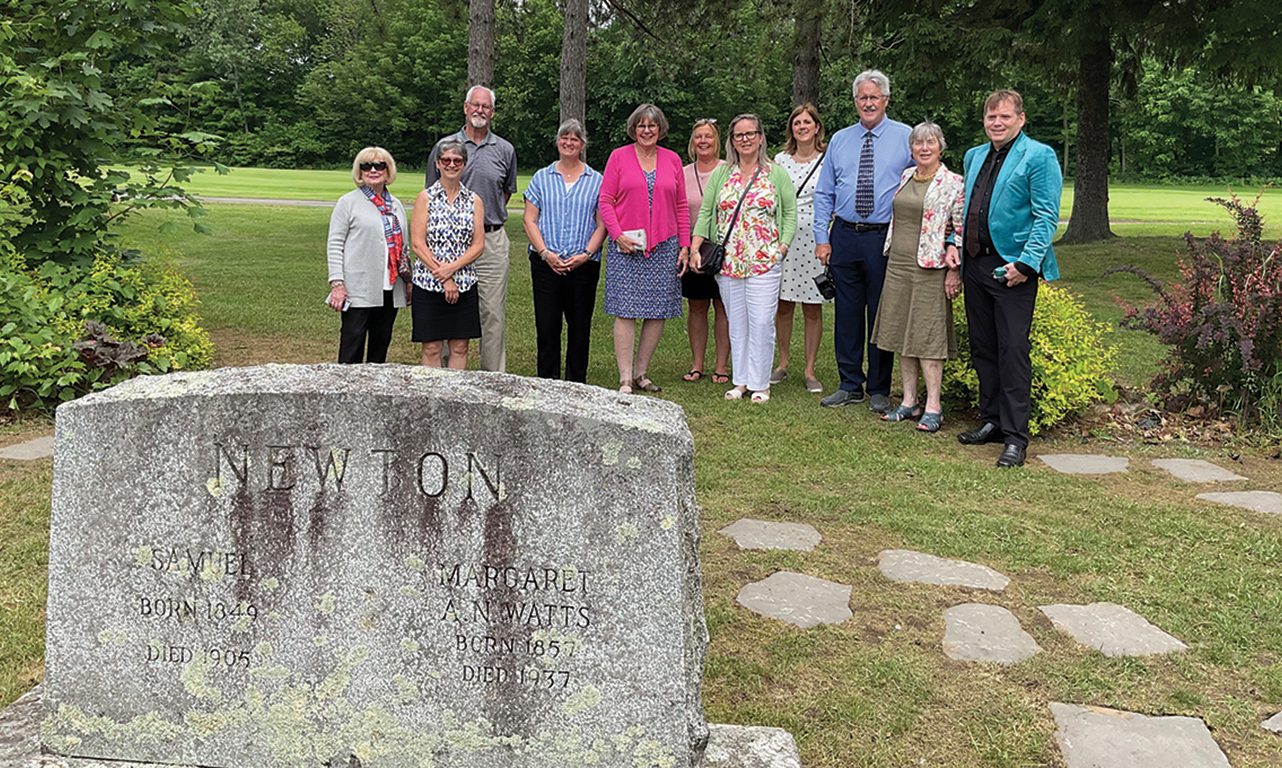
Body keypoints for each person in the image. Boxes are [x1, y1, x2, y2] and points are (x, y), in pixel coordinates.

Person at [957, 89, 1063, 468]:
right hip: (975, 265)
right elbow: (966, 209)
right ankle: (993, 421)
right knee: (984, 348)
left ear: (1021, 118)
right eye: (990, 117)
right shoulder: (974, 156)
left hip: (1013, 270)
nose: (997, 123)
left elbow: (1046, 216)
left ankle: (1016, 437)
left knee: (1013, 351)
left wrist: (1026, 264)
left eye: (1004, 117)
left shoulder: (1038, 156)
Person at [813, 70, 914, 413]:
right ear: (855, 102)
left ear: (886, 100)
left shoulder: (906, 137)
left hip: (885, 238)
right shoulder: (840, 140)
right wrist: (821, 238)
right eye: (862, 98)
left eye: (875, 97)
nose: (868, 103)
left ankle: (880, 388)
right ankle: (849, 383)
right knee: (848, 311)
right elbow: (824, 192)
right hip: (844, 235)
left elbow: (922, 182)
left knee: (881, 312)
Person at [690, 114, 797, 404]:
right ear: (732, 141)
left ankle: (760, 384)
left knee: (761, 321)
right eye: (739, 135)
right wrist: (695, 246)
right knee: (737, 323)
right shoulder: (722, 174)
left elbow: (789, 214)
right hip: (729, 262)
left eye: (751, 134)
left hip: (765, 260)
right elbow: (707, 212)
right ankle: (741, 380)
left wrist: (782, 248)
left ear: (761, 137)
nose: (745, 139)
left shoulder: (776, 173)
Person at [870, 122, 965, 432]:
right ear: (911, 149)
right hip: (898, 264)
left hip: (930, 267)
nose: (924, 148)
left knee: (927, 336)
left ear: (941, 147)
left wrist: (954, 269)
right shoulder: (905, 176)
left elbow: (959, 229)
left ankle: (934, 405)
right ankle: (909, 401)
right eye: (919, 143)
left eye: (931, 143)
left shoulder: (953, 183)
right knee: (901, 333)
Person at [598, 104, 691, 394]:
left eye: (652, 125)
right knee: (625, 310)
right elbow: (605, 200)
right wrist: (617, 236)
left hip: (664, 246)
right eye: (641, 125)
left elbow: (681, 206)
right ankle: (625, 377)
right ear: (633, 129)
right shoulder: (618, 157)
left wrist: (685, 245)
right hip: (626, 246)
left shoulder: (673, 159)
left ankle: (642, 373)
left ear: (660, 129)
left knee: (656, 311)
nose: (647, 130)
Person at [425, 85, 517, 372]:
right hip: (447, 242)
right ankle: (440, 377)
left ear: (492, 112)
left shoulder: (504, 149)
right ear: (466, 108)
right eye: (475, 105)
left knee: (491, 312)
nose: (480, 111)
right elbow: (430, 193)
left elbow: (505, 192)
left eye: (486, 107)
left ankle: (492, 378)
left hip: (489, 241)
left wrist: (481, 222)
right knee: (444, 306)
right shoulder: (445, 146)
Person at [522, 119, 606, 383]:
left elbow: (602, 223)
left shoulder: (596, 180)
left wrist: (587, 253)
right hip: (546, 262)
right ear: (558, 141)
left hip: (583, 264)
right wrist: (545, 253)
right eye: (564, 138)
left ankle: (576, 381)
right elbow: (529, 219)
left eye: (575, 139)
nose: (569, 143)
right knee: (547, 326)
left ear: (582, 144)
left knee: (580, 326)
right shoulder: (541, 177)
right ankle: (547, 380)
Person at [326, 146, 411, 364]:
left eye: (379, 165)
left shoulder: (396, 205)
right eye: (366, 166)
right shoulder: (348, 202)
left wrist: (409, 283)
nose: (373, 170)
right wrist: (337, 284)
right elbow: (335, 244)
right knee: (352, 346)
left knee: (380, 346)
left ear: (388, 170)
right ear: (359, 171)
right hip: (359, 288)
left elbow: (404, 248)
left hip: (390, 288)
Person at [772, 103, 830, 394]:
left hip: (814, 238)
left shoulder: (827, 159)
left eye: (807, 122)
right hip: (784, 237)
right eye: (797, 123)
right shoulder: (780, 160)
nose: (802, 127)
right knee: (782, 305)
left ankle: (809, 369)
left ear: (816, 127)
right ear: (791, 129)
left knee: (812, 307)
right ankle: (782, 363)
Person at [411, 141, 484, 368]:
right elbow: (417, 243)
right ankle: (432, 398)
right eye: (446, 160)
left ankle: (454, 398)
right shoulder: (426, 197)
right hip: (428, 282)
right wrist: (444, 276)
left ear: (464, 165)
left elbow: (478, 245)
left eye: (457, 161)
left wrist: (451, 270)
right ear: (438, 164)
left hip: (464, 282)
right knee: (432, 347)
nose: (451, 165)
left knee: (460, 346)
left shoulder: (474, 200)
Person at [680, 119, 731, 385]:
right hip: (694, 248)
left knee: (723, 307)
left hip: (726, 248)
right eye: (698, 136)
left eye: (708, 136)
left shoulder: (729, 170)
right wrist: (686, 248)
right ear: (692, 141)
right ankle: (697, 363)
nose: (703, 141)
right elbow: (679, 210)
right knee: (697, 306)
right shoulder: (683, 172)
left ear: (717, 140)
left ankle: (721, 366)